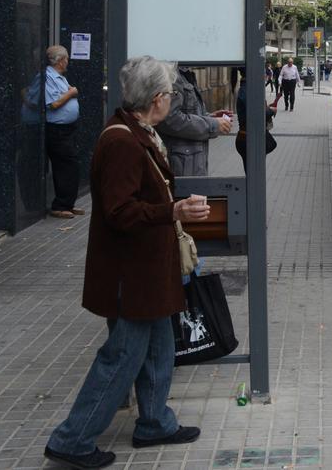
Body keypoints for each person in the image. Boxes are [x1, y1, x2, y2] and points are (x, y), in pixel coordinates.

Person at [44, 56, 210, 470]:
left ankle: (154, 422)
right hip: (129, 275)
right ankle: (73, 439)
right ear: (157, 99)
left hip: (146, 272)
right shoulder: (121, 141)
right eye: (170, 94)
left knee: (159, 348)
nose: (172, 99)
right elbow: (120, 212)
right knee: (121, 357)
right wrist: (172, 211)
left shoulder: (137, 132)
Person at [155, 65, 232, 177]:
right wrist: (212, 124)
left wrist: (210, 117)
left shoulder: (184, 74)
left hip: (191, 161)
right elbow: (170, 119)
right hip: (181, 164)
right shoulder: (172, 75)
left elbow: (188, 112)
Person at [44, 45, 83, 219]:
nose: (68, 62)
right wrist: (72, 93)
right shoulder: (48, 77)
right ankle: (60, 205)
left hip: (68, 129)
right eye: (66, 59)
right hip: (57, 131)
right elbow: (53, 104)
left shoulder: (60, 77)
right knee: (65, 167)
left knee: (71, 166)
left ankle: (68, 203)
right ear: (60, 61)